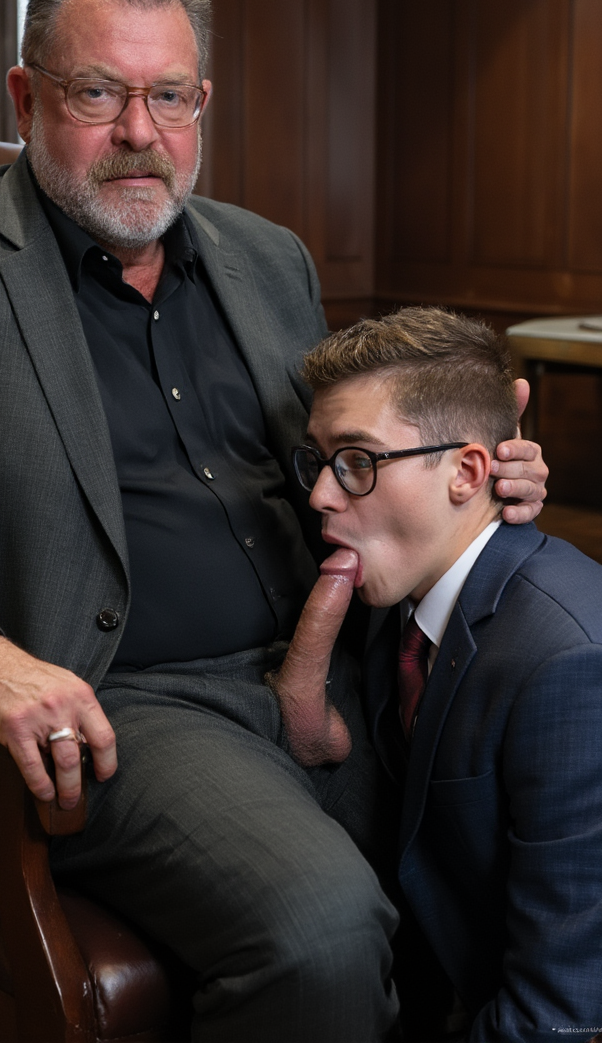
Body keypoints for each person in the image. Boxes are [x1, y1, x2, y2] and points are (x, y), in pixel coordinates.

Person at [0, 0, 547, 1041]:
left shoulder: (268, 258)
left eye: (169, 96)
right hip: (112, 705)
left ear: (201, 100)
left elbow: (353, 464)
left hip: (326, 674)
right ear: (26, 95)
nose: (139, 133)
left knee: (539, 828)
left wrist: (469, 476)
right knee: (317, 926)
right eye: (97, 93)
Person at [272, 306, 601, 1042]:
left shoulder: (569, 663)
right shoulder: (402, 597)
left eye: (357, 460)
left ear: (468, 472)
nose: (321, 495)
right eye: (319, 461)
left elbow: (559, 1011)